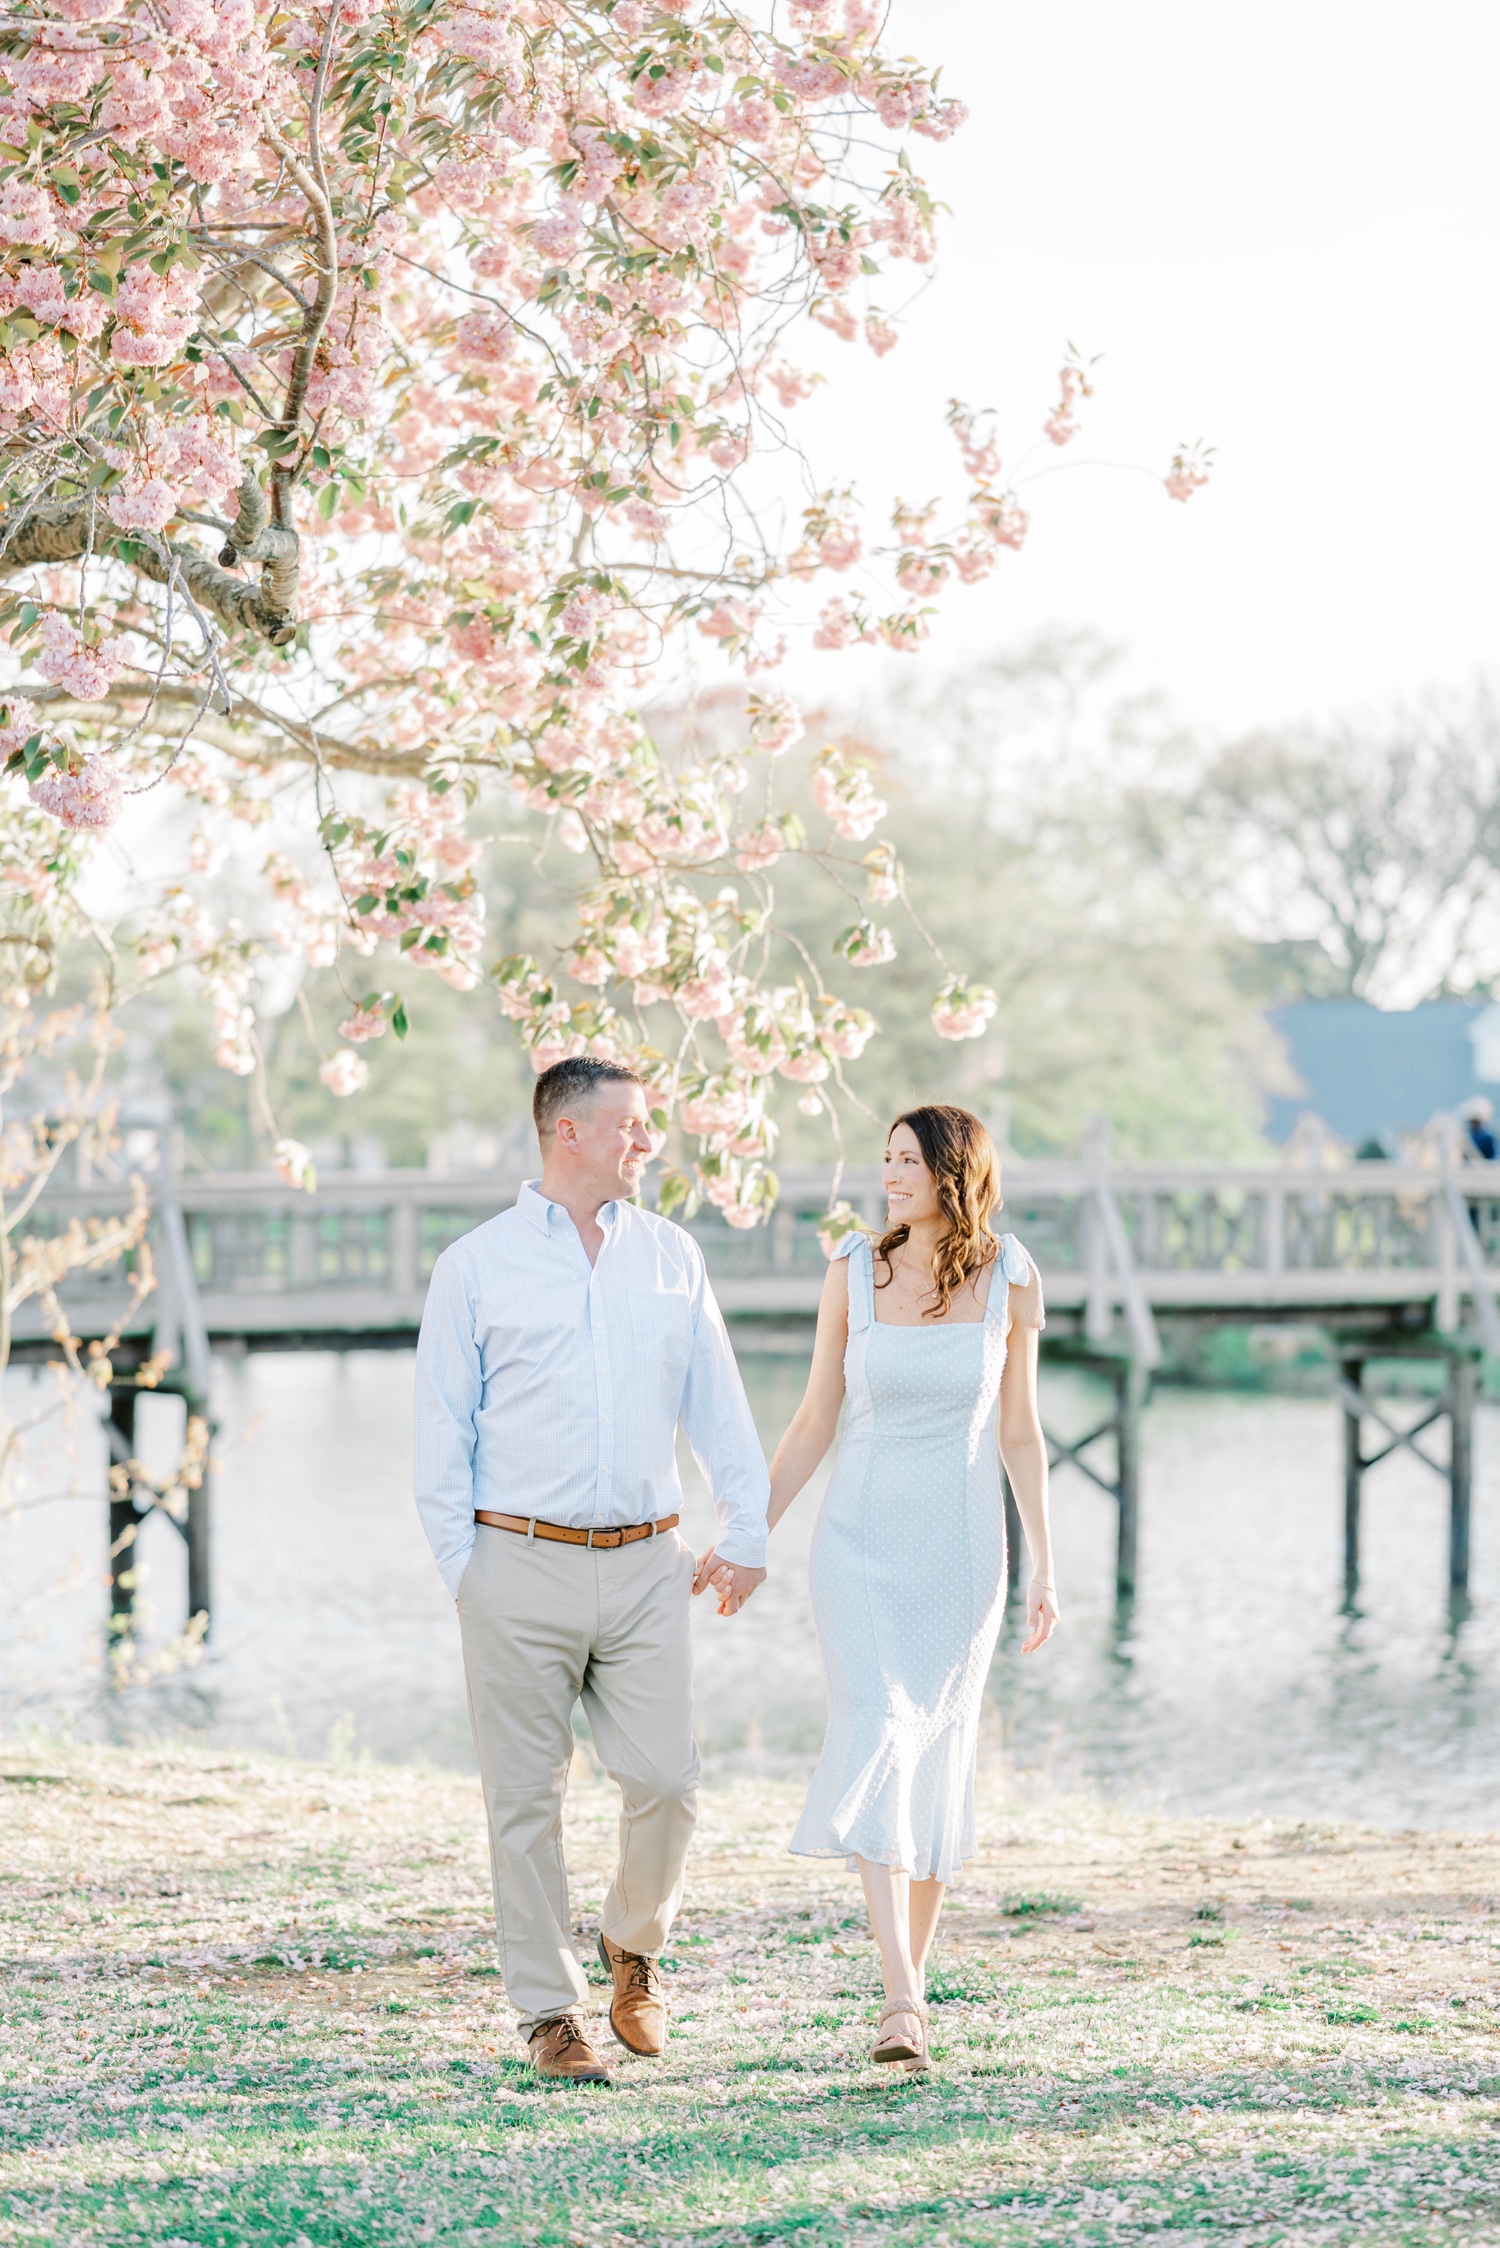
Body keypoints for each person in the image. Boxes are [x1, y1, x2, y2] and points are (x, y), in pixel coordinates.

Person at [414, 1057, 769, 2084]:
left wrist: (743, 1530)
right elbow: (442, 1432)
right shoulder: (473, 1266)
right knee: (523, 1801)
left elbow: (718, 1403)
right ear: (567, 1132)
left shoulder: (671, 1256)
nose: (647, 1142)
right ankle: (550, 2013)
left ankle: (633, 1943)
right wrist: (465, 1569)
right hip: (514, 1561)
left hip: (649, 1561)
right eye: (631, 1125)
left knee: (667, 1778)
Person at [707, 1104, 1057, 2074]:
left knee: (937, 1754)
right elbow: (814, 1421)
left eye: (910, 1160)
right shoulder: (851, 1272)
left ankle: (905, 1997)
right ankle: (903, 1998)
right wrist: (748, 1535)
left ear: (955, 1174)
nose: (891, 1174)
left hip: (961, 1550)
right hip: (857, 1544)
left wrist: (1047, 1563)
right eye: (888, 1158)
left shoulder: (1012, 1277)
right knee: (877, 1728)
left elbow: (1021, 1431)